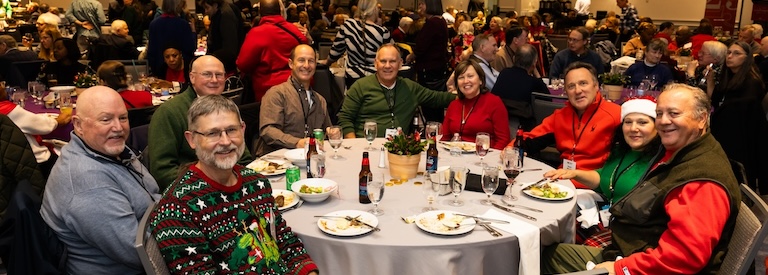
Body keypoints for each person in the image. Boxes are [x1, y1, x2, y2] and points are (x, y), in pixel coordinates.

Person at [541, 84, 741, 274]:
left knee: (543, 258)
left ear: (702, 119)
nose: (663, 121)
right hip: (633, 246)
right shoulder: (682, 152)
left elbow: (684, 257)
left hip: (643, 262)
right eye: (660, 114)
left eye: (674, 113)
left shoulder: (701, 179)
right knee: (548, 254)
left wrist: (623, 269)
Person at [149, 95, 318, 274]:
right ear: (192, 140)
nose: (226, 141)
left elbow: (284, 239)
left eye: (231, 130)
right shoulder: (177, 208)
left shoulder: (256, 182)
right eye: (212, 133)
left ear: (243, 130)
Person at [40, 86, 161, 274]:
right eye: (106, 120)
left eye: (122, 117)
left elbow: (153, 196)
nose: (118, 128)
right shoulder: (88, 181)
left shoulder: (110, 151)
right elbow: (139, 253)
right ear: (78, 125)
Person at [149, 56, 253, 190]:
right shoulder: (169, 112)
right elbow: (162, 172)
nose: (214, 80)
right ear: (192, 77)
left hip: (234, 186)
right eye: (207, 74)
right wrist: (208, 188)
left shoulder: (229, 108)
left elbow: (244, 158)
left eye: (219, 75)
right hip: (193, 194)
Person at [517, 62, 621, 189]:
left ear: (596, 86)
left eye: (583, 83)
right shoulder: (560, 116)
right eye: (571, 86)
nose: (578, 91)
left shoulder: (616, 115)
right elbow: (530, 138)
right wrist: (512, 148)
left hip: (593, 186)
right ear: (565, 91)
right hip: (561, 181)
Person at [544, 97, 659, 205]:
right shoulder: (622, 151)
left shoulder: (659, 162)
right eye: (628, 122)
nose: (633, 128)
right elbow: (604, 178)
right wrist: (574, 173)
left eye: (642, 122)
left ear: (657, 126)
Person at [338, 44, 455, 138]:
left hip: (399, 149)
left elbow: (438, 98)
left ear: (400, 64)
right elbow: (345, 118)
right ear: (375, 63)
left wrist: (468, 95)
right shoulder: (360, 86)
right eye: (383, 61)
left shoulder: (410, 87)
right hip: (367, 147)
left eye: (392, 61)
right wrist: (355, 146)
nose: (387, 66)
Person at [707, 41, 768, 195]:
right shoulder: (729, 78)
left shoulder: (751, 82)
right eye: (729, 52)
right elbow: (715, 101)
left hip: (741, 136)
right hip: (728, 129)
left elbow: (733, 112)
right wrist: (710, 82)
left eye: (736, 53)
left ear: (746, 58)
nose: (730, 56)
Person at [255, 45, 332, 156]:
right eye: (301, 60)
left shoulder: (320, 100)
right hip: (277, 160)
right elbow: (268, 130)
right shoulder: (277, 94)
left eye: (311, 61)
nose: (306, 65)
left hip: (310, 159)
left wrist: (331, 133)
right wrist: (297, 143)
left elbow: (326, 131)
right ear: (291, 64)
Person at [237, 0, 309, 102]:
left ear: (260, 12)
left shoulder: (256, 33)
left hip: (268, 93)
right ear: (280, 10)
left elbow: (243, 64)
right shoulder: (295, 30)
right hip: (298, 87)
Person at [0, 85, 70, 177]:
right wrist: (58, 121)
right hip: (33, 163)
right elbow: (41, 126)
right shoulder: (8, 110)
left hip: (8, 165)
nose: (3, 86)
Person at [442, 59, 509, 149]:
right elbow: (445, 139)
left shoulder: (494, 103)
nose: (466, 81)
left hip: (484, 157)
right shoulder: (454, 105)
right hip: (456, 156)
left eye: (470, 76)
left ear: (480, 80)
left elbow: (503, 140)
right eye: (461, 77)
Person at [325, 0, 390, 88]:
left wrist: (326, 63)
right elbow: (391, 56)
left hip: (353, 79)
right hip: (375, 79)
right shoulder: (382, 32)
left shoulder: (348, 25)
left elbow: (335, 52)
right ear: (374, 9)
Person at [407, 0, 450, 122]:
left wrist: (409, 57)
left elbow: (420, 47)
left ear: (430, 5)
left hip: (429, 70)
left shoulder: (433, 23)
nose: (419, 7)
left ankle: (432, 133)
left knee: (430, 104)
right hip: (437, 69)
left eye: (422, 4)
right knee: (436, 106)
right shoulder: (440, 21)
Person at [492, 44, 547, 130]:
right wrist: (537, 74)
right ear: (534, 62)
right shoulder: (533, 82)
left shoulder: (504, 73)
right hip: (521, 128)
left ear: (514, 58)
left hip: (496, 122)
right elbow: (548, 100)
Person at [147, 0, 195, 78]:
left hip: (160, 68)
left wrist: (154, 71)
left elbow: (152, 51)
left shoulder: (154, 24)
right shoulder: (183, 24)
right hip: (182, 70)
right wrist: (193, 32)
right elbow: (190, 48)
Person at [203, 0, 246, 73]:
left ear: (215, 5)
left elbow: (229, 49)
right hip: (223, 64)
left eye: (207, 8)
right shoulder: (221, 12)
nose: (206, 11)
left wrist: (210, 58)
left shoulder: (225, 15)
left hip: (227, 67)